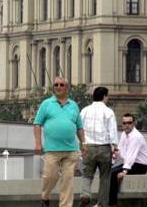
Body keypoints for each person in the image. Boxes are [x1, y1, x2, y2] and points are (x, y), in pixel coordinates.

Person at [34, 76, 85, 207]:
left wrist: (83, 143)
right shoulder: (46, 104)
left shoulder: (73, 105)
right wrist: (38, 143)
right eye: (56, 85)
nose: (58, 87)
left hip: (71, 150)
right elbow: (37, 124)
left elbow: (79, 126)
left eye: (61, 85)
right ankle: (45, 197)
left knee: (68, 181)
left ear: (66, 88)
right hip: (52, 149)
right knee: (50, 176)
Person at [78, 86, 118, 207]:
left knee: (86, 174)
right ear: (104, 96)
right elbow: (112, 131)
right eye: (107, 96)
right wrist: (115, 147)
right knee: (105, 177)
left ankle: (85, 194)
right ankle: (101, 204)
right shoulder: (108, 111)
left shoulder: (84, 110)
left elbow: (79, 128)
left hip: (88, 146)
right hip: (104, 148)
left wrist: (81, 144)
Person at [109, 113, 147, 207]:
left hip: (140, 166)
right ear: (122, 124)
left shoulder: (136, 136)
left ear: (133, 123)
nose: (127, 125)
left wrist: (124, 171)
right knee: (110, 172)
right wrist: (112, 162)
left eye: (129, 123)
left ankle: (113, 204)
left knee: (113, 174)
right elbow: (118, 151)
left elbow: (131, 155)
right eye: (124, 123)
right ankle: (110, 202)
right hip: (130, 164)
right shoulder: (124, 134)